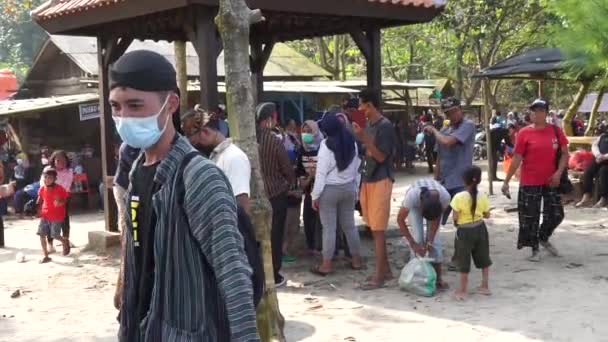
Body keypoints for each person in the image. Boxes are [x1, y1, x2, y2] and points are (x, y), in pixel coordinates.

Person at [110, 50, 259, 341]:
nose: (124, 117)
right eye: (116, 106)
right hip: (141, 327)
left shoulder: (199, 177)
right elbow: (137, 247)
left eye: (135, 105)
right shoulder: (136, 171)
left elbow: (234, 273)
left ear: (171, 104)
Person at [502, 99, 568, 262]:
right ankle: (534, 248)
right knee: (530, 216)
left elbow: (565, 154)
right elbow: (517, 158)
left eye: (540, 110)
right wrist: (506, 181)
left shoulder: (555, 130)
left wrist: (559, 173)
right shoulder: (524, 132)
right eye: (533, 110)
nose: (536, 113)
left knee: (557, 214)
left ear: (546, 113)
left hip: (551, 180)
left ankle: (543, 237)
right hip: (530, 180)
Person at [352, 88, 396, 290]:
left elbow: (380, 156)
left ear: (370, 105)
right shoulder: (370, 124)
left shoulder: (385, 126)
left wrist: (364, 138)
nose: (360, 109)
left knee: (378, 231)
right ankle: (385, 271)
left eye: (361, 105)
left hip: (380, 179)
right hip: (368, 178)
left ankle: (379, 276)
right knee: (373, 227)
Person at [309, 113, 363, 276]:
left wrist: (315, 195)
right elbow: (356, 168)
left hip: (329, 191)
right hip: (348, 188)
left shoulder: (326, 145)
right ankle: (356, 260)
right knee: (349, 226)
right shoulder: (351, 141)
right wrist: (355, 190)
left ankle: (326, 265)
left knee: (329, 229)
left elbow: (321, 174)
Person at [256, 102, 296, 287]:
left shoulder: (246, 139)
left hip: (253, 194)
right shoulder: (274, 141)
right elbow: (287, 169)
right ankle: (273, 274)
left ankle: (257, 272)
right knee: (275, 234)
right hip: (275, 194)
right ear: (270, 119)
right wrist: (290, 181)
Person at [181, 107, 252, 211]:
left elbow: (241, 203)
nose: (195, 148)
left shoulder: (234, 158)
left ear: (205, 132)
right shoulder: (215, 156)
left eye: (195, 144)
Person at [424, 97, 476, 225]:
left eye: (455, 111)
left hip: (461, 182)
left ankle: (464, 244)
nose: (453, 115)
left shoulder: (468, 125)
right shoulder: (444, 131)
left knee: (463, 220)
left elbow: (448, 142)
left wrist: (433, 130)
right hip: (444, 182)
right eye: (449, 113)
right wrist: (435, 182)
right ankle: (431, 244)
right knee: (434, 219)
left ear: (460, 109)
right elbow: (439, 159)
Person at [396, 178, 451, 291]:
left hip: (433, 207)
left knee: (435, 241)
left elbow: (436, 219)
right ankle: (414, 277)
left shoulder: (445, 197)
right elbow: (400, 220)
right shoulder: (411, 196)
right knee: (418, 238)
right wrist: (412, 243)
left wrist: (429, 241)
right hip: (415, 205)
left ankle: (438, 278)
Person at [450, 166, 492, 300]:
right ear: (478, 180)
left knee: (463, 260)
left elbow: (455, 217)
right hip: (480, 228)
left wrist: (457, 223)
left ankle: (462, 290)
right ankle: (485, 286)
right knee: (483, 257)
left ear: (464, 180)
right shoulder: (483, 195)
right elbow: (487, 215)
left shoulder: (458, 197)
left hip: (465, 231)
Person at [299, 120, 323, 255]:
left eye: (309, 131)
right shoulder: (301, 149)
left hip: (323, 190)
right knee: (308, 218)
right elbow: (300, 173)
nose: (306, 134)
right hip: (309, 190)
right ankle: (311, 247)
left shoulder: (323, 147)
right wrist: (309, 178)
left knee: (323, 220)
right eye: (304, 131)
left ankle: (325, 247)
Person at [42, 150, 73, 255]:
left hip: (63, 197)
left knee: (64, 219)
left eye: (63, 160)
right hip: (49, 198)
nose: (61, 162)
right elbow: (42, 183)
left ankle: (66, 240)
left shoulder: (69, 171)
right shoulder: (47, 169)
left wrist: (59, 198)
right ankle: (50, 244)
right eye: (58, 160)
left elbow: (66, 185)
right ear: (53, 161)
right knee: (49, 221)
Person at [36, 167, 69, 262]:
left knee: (54, 235)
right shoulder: (42, 188)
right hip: (45, 215)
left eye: (50, 178)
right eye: (45, 177)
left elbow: (65, 200)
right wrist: (36, 208)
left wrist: (60, 203)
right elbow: (40, 199)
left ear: (55, 179)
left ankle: (64, 241)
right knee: (42, 234)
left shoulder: (60, 189)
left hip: (57, 216)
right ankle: (46, 255)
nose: (47, 179)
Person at [576, 130, 608, 208]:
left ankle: (604, 198)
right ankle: (586, 196)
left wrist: (604, 157)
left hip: (605, 161)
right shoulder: (603, 135)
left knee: (603, 172)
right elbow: (594, 145)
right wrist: (598, 155)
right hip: (599, 159)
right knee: (588, 172)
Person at [113, 143, 140, 234]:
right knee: (124, 216)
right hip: (122, 185)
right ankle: (124, 244)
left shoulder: (143, 144)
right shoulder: (126, 146)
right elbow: (135, 165)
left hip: (134, 185)